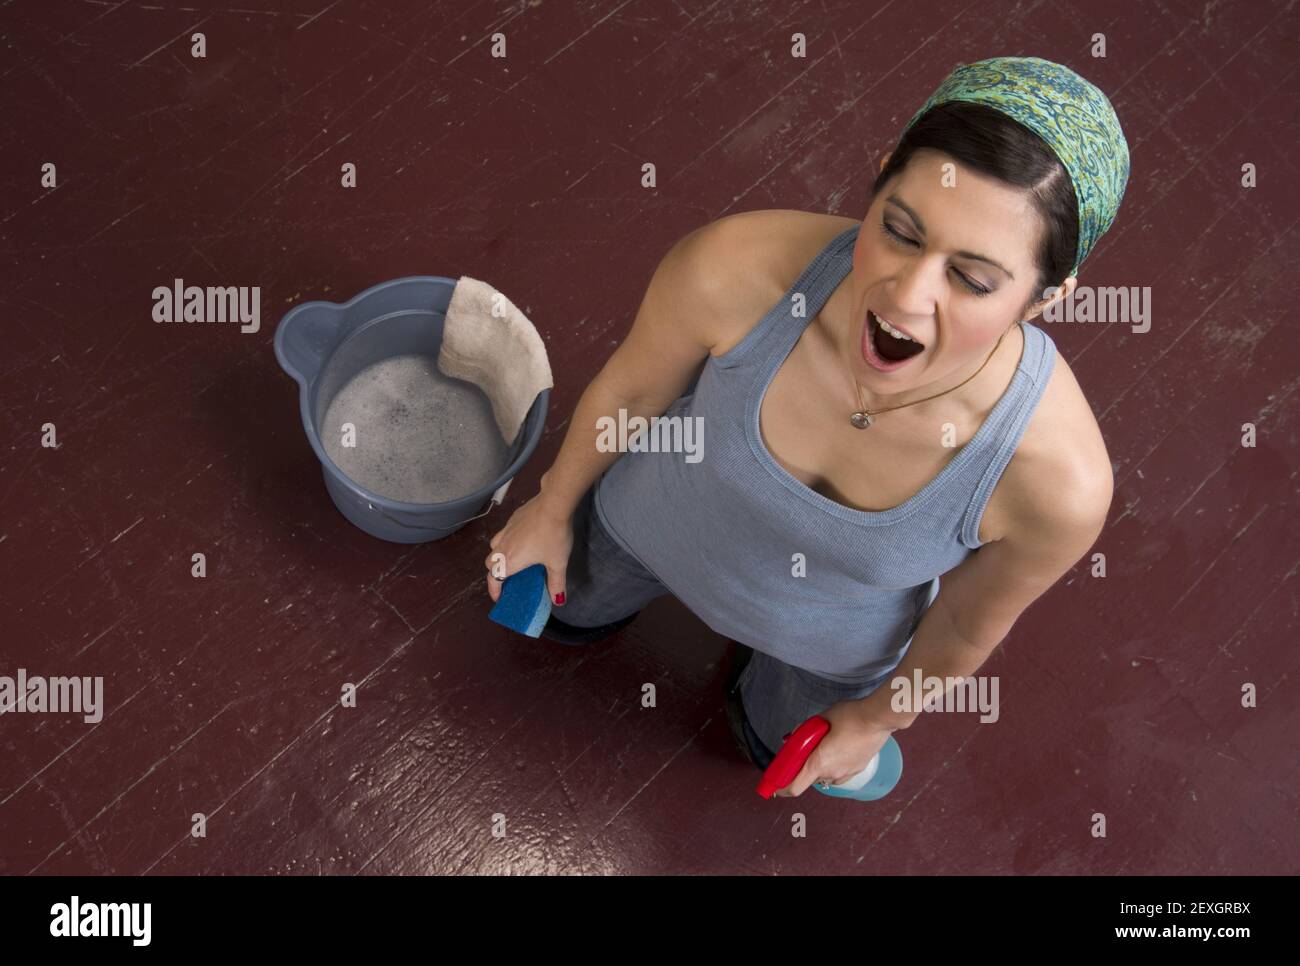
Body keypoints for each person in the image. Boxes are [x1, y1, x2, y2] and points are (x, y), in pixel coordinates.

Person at [484, 56, 1130, 797]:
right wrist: (553, 504)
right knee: (568, 620)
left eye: (974, 280)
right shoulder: (735, 266)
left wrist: (878, 720)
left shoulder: (1056, 482)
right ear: (881, 174)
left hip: (826, 653)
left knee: (769, 745)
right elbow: (630, 390)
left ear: (1045, 299)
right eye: (900, 231)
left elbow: (963, 629)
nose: (907, 295)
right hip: (644, 528)